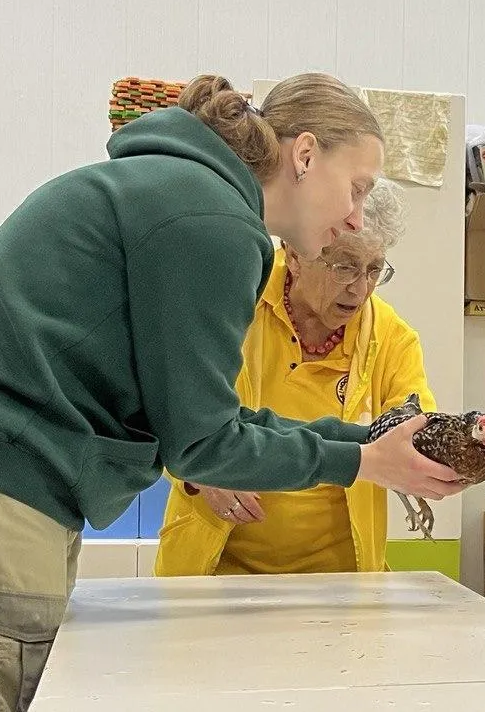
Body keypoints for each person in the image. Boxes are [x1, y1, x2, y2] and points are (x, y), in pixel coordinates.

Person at [0, 73, 465, 712]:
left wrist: (368, 441)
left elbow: (214, 418)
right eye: (356, 188)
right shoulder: (214, 221)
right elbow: (202, 444)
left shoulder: (183, 193)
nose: (356, 216)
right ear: (303, 155)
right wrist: (362, 461)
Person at [154, 177, 435, 576]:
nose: (360, 289)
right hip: (214, 567)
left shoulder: (393, 338)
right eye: (344, 267)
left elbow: (415, 434)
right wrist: (202, 474)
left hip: (339, 578)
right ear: (295, 253)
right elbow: (170, 412)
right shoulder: (232, 301)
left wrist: (452, 453)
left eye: (374, 270)